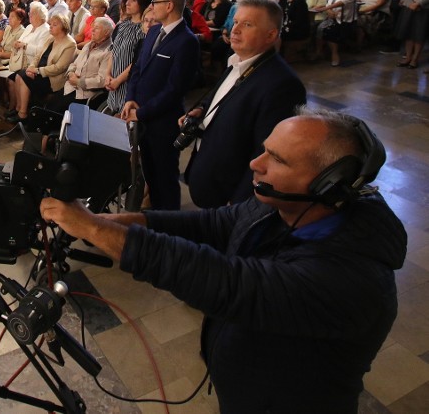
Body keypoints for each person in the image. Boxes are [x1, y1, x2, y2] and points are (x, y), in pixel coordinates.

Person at [40, 107, 406, 414]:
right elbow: (211, 224)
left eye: (276, 159)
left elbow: (225, 282)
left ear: (329, 184)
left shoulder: (353, 281)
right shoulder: (282, 206)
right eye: (265, 149)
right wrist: (105, 222)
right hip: (245, 387)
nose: (255, 164)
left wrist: (94, 231)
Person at [182, 0, 307, 208]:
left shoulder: (282, 85)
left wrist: (240, 202)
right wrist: (202, 110)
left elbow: (268, 153)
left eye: (247, 24)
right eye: (236, 21)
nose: (235, 29)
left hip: (230, 195)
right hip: (210, 173)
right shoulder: (236, 62)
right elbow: (227, 98)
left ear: (271, 35)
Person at [121, 0, 199, 210]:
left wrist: (141, 112)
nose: (151, 6)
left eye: (155, 2)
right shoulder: (155, 31)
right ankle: (156, 217)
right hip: (142, 115)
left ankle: (170, 224)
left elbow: (175, 89)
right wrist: (130, 98)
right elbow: (138, 69)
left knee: (165, 176)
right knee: (150, 174)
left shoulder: (186, 41)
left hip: (163, 121)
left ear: (169, 5)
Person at [7, 14, 77, 123]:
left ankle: (23, 114)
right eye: (51, 24)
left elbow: (59, 68)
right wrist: (31, 67)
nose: (50, 27)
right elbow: (38, 56)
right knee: (18, 75)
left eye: (54, 25)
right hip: (38, 71)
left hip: (52, 78)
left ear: (64, 27)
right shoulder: (51, 38)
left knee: (23, 77)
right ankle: (18, 109)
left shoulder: (70, 44)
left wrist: (37, 71)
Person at [45, 16, 113, 114]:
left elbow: (102, 80)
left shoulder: (108, 52)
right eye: (92, 27)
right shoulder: (88, 45)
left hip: (86, 93)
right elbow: (74, 63)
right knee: (50, 105)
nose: (92, 30)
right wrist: (71, 73)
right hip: (70, 86)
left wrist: (79, 81)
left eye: (97, 28)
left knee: (56, 112)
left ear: (106, 32)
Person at [105, 0, 152, 115]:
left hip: (128, 87)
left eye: (133, 0)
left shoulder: (144, 29)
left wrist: (118, 80)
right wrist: (108, 74)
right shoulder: (122, 25)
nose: (127, 3)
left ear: (143, 2)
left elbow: (138, 61)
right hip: (113, 85)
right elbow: (113, 51)